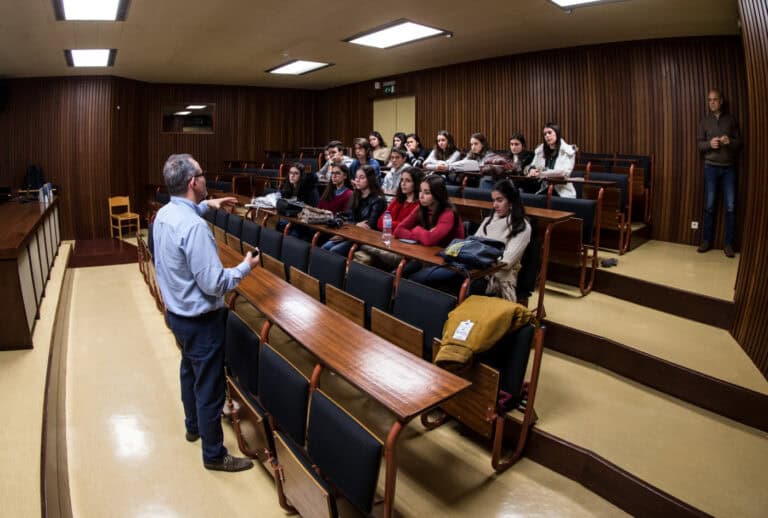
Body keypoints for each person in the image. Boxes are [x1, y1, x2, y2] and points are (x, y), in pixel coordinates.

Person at [153, 153, 260, 472]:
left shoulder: (165, 214)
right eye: (202, 173)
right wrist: (245, 266)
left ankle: (193, 427)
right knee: (210, 388)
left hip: (178, 316)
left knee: (189, 371)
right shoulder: (195, 228)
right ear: (192, 182)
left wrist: (210, 205)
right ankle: (213, 454)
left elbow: (188, 214)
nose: (205, 178)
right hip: (202, 323)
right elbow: (215, 283)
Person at [395, 175, 465, 286]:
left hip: (449, 261)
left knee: (412, 280)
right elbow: (398, 230)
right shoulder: (421, 208)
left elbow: (429, 240)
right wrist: (420, 235)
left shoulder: (448, 213)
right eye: (420, 191)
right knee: (395, 274)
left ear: (437, 195)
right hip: (428, 255)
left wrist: (417, 230)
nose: (421, 196)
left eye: (427, 193)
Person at [696, 89, 741, 257]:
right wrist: (709, 144)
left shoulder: (730, 120)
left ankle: (728, 244)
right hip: (711, 168)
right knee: (709, 206)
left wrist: (730, 141)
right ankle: (706, 241)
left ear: (721, 101)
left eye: (715, 99)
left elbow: (739, 143)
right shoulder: (704, 121)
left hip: (729, 168)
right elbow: (699, 144)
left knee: (730, 207)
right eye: (709, 100)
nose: (712, 102)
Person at [354, 168, 425, 269]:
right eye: (402, 180)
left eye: (408, 181)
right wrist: (398, 226)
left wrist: (393, 225)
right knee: (360, 255)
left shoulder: (419, 205)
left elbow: (407, 230)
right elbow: (380, 223)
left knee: (363, 248)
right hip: (386, 241)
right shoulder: (397, 200)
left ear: (416, 183)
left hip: (402, 247)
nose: (403, 184)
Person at [474, 180, 532, 301]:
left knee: (466, 285)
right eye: (493, 200)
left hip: (497, 278)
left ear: (511, 201)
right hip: (477, 269)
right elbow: (472, 245)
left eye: (499, 200)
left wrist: (479, 257)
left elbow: (507, 261)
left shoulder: (522, 226)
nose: (495, 205)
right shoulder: (488, 220)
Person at [322, 165, 385, 256]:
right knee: (325, 247)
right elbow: (346, 217)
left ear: (370, 179)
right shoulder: (355, 195)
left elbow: (370, 226)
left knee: (334, 251)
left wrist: (351, 226)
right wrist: (355, 225)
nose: (357, 180)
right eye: (356, 177)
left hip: (365, 238)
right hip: (350, 234)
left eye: (361, 177)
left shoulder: (378, 200)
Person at [525, 123, 576, 198]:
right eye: (545, 134)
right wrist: (531, 170)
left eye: (550, 132)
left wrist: (541, 173)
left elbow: (564, 172)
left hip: (562, 191)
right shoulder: (541, 150)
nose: (547, 136)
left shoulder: (568, 151)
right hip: (545, 188)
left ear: (557, 133)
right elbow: (533, 165)